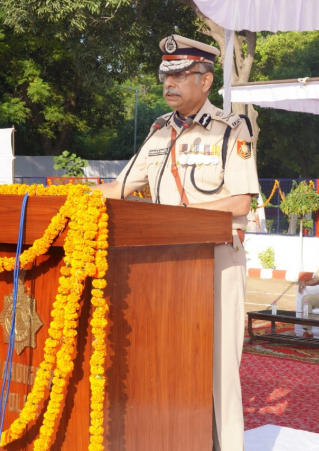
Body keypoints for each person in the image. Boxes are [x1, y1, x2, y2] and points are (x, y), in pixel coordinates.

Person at [92, 35, 258, 451]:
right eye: (166, 75)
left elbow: (240, 199)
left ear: (205, 82)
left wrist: (176, 221)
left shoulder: (231, 129)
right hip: (161, 265)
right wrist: (66, 200)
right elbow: (120, 187)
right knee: (163, 357)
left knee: (218, 363)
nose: (170, 83)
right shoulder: (159, 133)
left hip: (216, 259)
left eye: (181, 75)